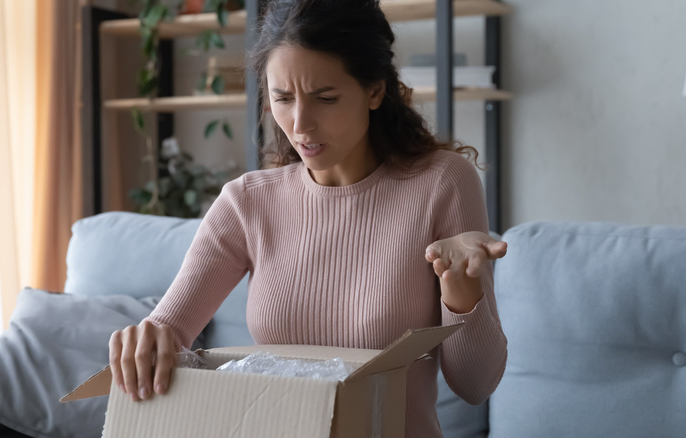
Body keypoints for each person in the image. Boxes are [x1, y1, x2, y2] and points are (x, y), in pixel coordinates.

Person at [108, 0, 508, 435]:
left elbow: (475, 385)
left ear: (375, 90)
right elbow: (169, 332)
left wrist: (461, 291)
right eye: (282, 98)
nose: (300, 125)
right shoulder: (246, 202)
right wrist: (147, 340)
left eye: (326, 98)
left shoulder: (443, 182)